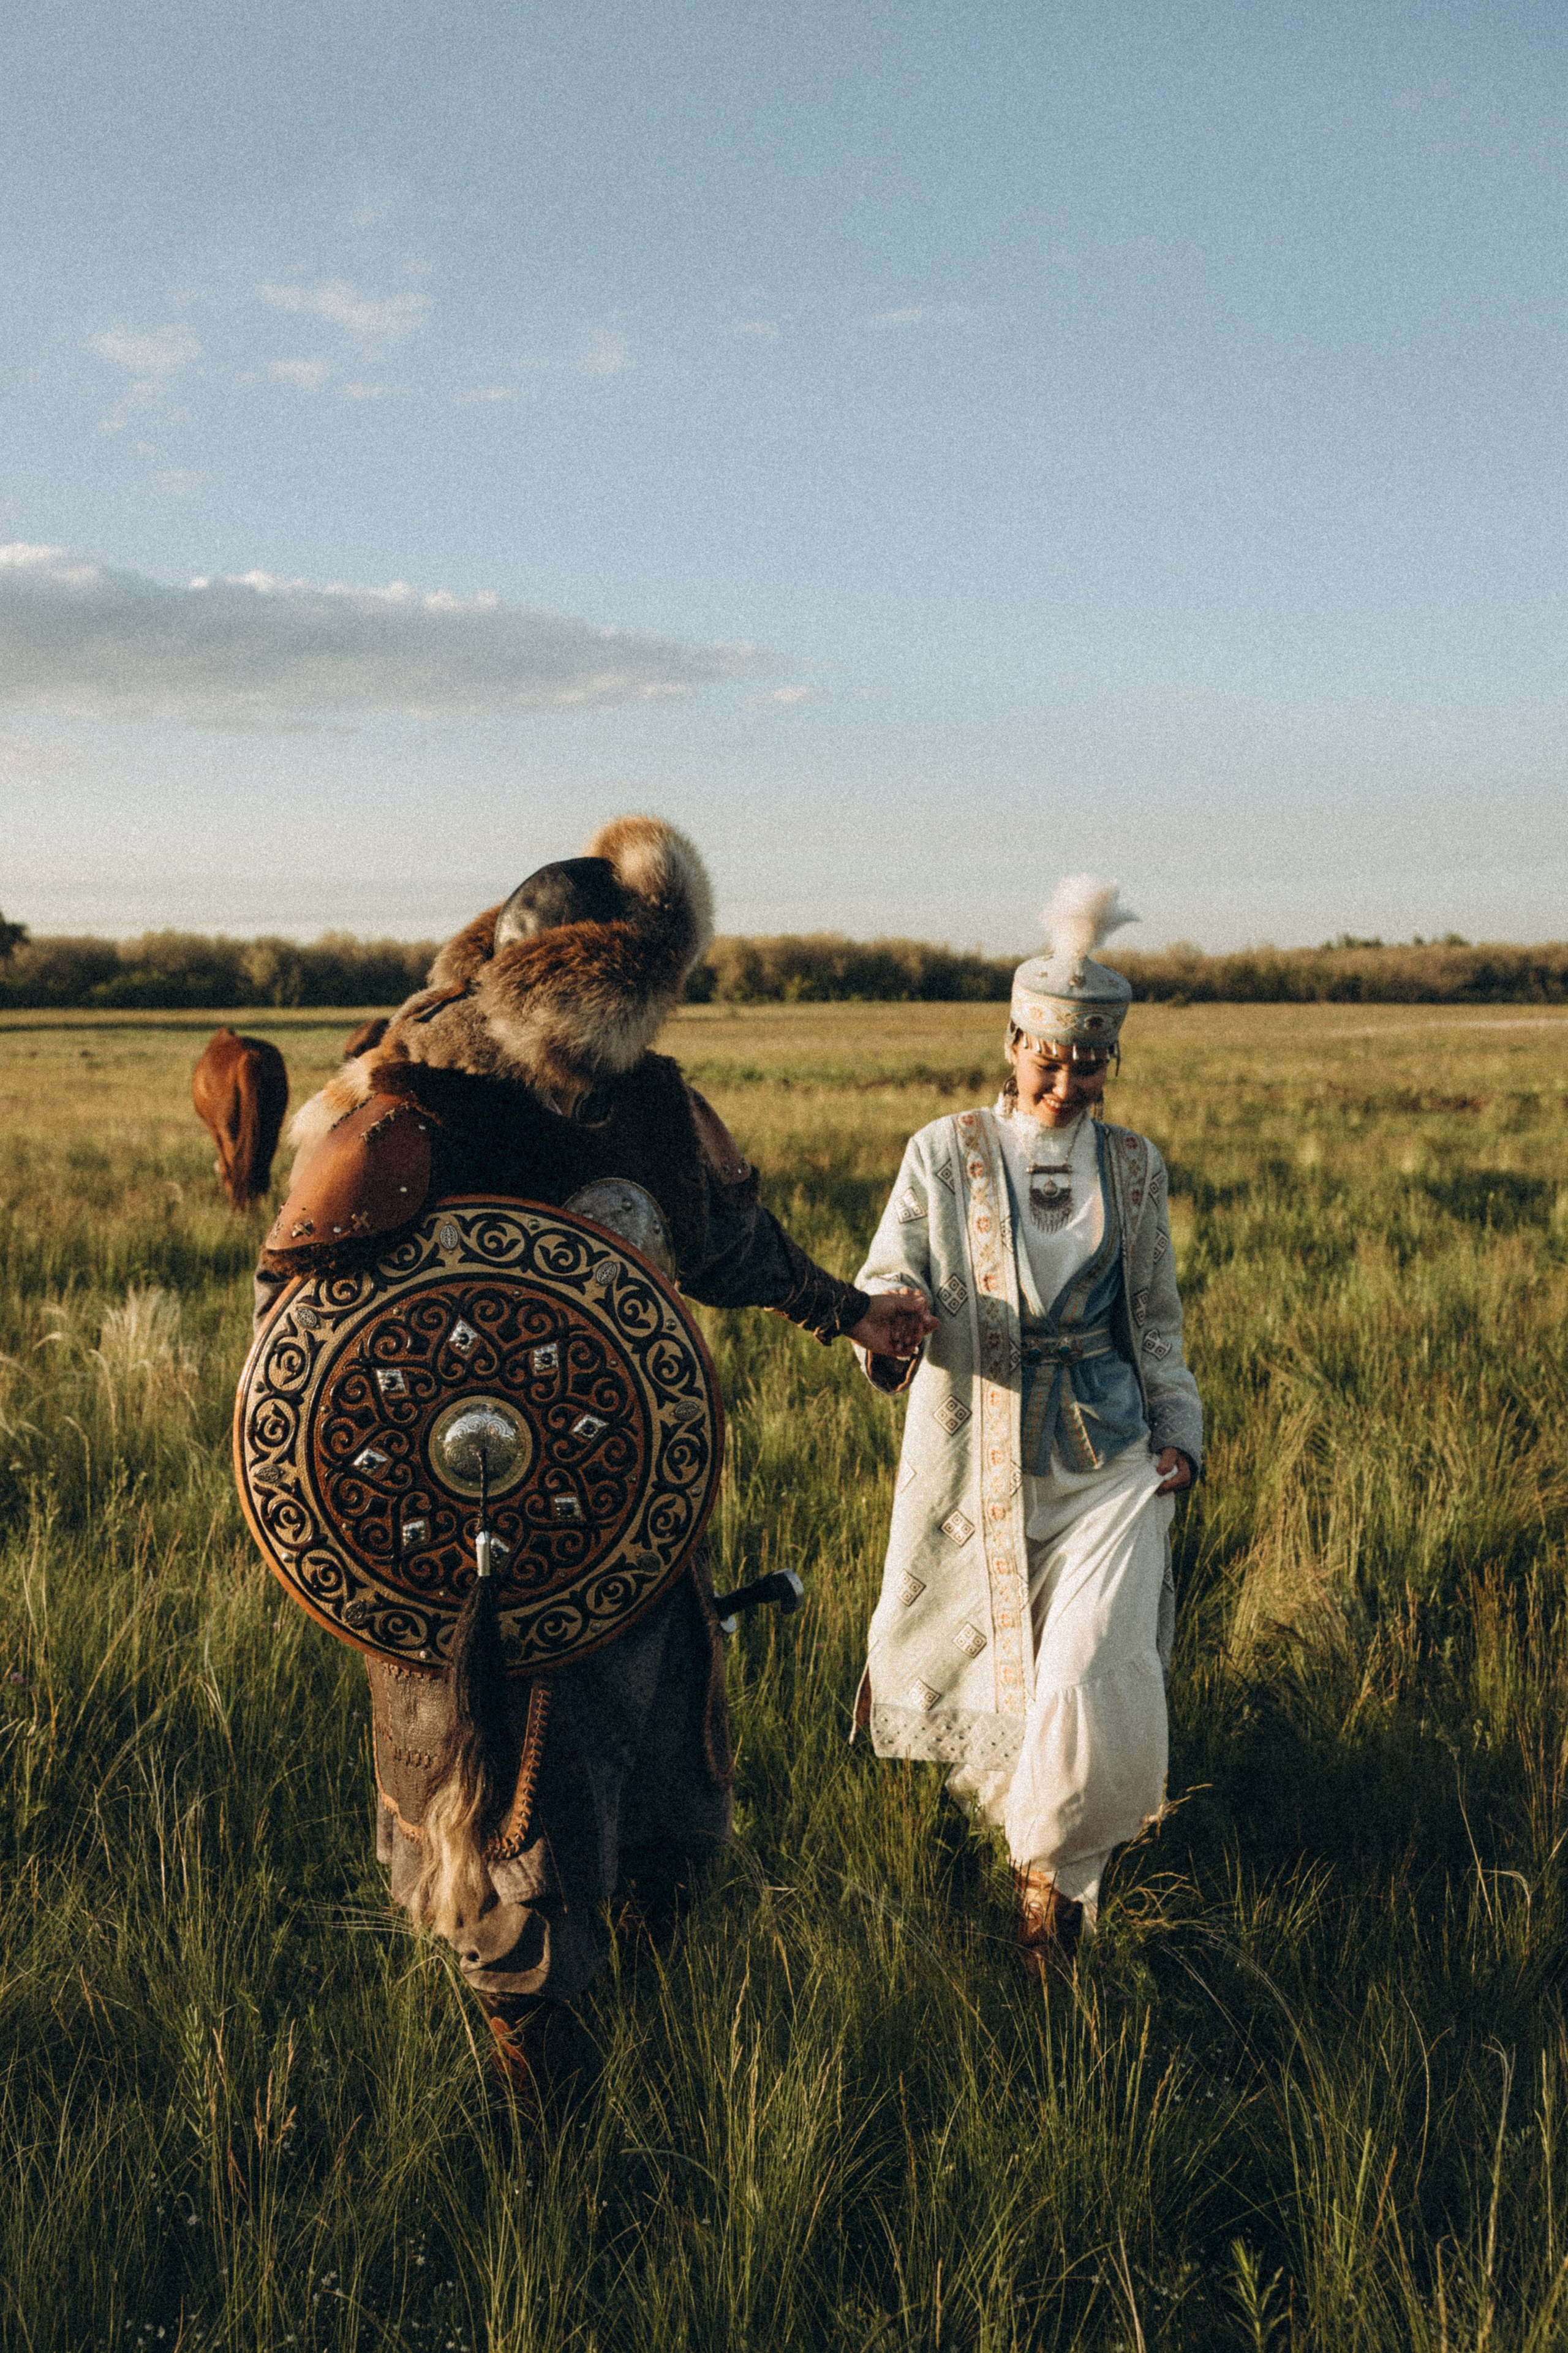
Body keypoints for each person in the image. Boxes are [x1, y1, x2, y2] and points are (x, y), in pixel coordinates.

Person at [255, 816, 932, 2091]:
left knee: (655, 1782)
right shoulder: (408, 1109)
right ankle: (540, 2085)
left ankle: (642, 2012)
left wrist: (845, 1309)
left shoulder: (648, 1107)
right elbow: (300, 1335)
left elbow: (723, 1245)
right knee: (514, 1799)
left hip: (626, 1519)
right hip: (461, 1549)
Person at [852, 877, 1202, 1977]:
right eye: (1045, 1056)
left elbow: (1154, 1321)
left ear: (1111, 1062)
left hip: (1113, 1473)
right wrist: (889, 1328)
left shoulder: (1136, 1169)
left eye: (1087, 1061)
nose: (1064, 1079)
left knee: (1089, 1673)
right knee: (1008, 1682)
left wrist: (1180, 1432)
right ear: (1011, 1043)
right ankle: (1041, 1893)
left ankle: (1054, 1897)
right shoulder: (942, 1153)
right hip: (980, 1460)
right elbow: (889, 1272)